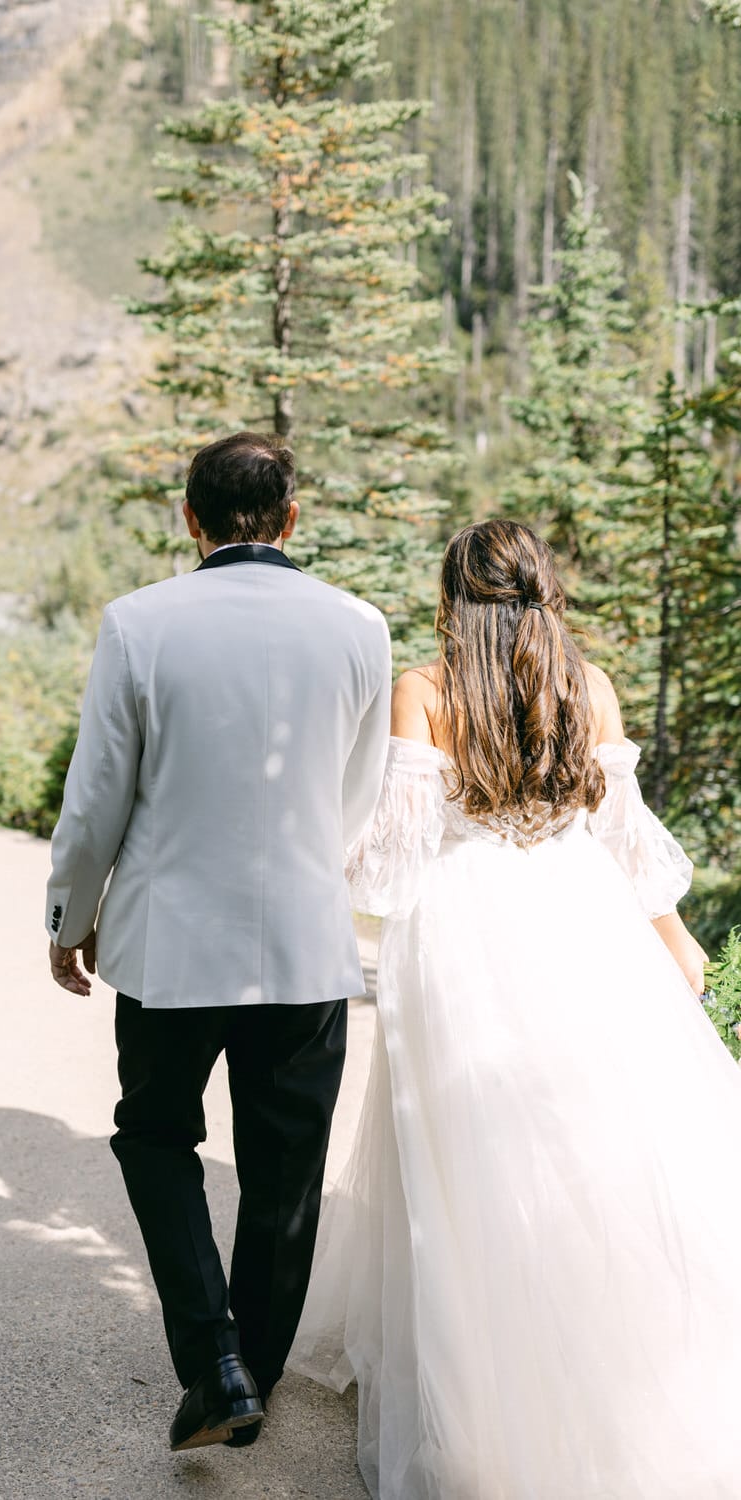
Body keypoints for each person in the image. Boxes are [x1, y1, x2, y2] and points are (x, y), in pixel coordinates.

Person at [289, 518, 741, 1500]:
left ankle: (485, 1401)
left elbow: (394, 860)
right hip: (582, 921)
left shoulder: (427, 690)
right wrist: (671, 937)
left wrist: (323, 863)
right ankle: (617, 1365)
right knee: (597, 1144)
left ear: (454, 599)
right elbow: (623, 839)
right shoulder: (589, 685)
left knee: (469, 1159)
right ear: (543, 591)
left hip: (462, 932)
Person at [46, 431, 392, 1452]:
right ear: (291, 519)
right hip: (303, 941)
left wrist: (70, 920)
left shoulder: (139, 623)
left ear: (189, 519)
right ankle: (252, 1379)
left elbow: (97, 793)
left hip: (167, 947)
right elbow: (357, 797)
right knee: (287, 1169)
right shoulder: (358, 627)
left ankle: (215, 1361)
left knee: (156, 1138)